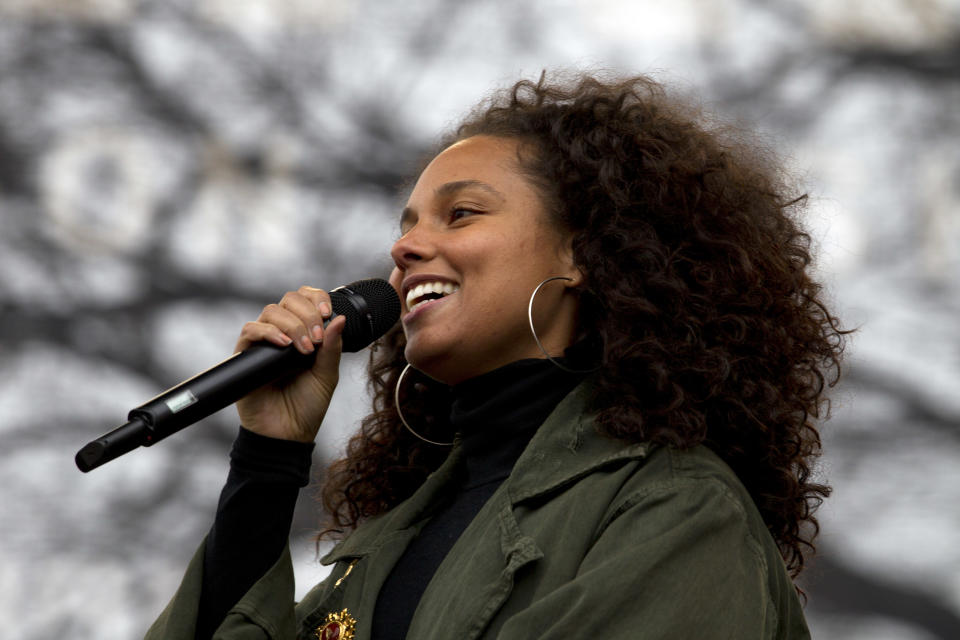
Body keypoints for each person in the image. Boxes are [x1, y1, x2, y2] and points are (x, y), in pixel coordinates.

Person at [146, 72, 848, 640]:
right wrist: (269, 460)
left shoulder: (678, 513)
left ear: (584, 253)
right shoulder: (400, 535)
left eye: (461, 214)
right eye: (407, 225)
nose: (404, 248)